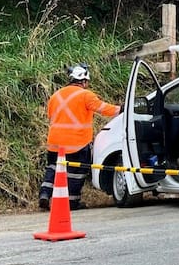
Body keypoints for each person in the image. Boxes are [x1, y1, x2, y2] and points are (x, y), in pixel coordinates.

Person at [38, 64, 120, 210]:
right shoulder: (85, 95)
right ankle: (72, 202)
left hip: (54, 142)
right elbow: (103, 108)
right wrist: (121, 109)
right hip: (77, 143)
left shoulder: (56, 95)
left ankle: (44, 194)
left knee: (53, 168)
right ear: (83, 81)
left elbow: (50, 115)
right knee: (76, 172)